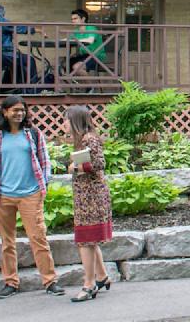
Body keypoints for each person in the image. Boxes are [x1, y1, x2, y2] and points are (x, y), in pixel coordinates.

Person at [0, 95, 63, 299]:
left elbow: (45, 161)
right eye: (15, 110)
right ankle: (10, 282)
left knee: (38, 237)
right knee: (7, 241)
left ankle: (50, 281)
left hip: (30, 194)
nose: (19, 113)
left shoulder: (33, 134)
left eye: (22, 110)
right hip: (2, 195)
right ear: (5, 112)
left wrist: (43, 184)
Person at [63, 106, 114, 302]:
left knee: (85, 240)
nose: (64, 124)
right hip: (86, 196)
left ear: (75, 121)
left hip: (91, 198)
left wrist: (75, 166)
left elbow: (100, 163)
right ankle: (102, 276)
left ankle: (89, 284)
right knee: (88, 237)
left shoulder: (89, 139)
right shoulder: (83, 140)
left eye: (66, 120)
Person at [0, 4, 42, 89]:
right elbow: (20, 28)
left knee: (16, 61)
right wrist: (38, 30)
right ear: (1, 13)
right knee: (29, 60)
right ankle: (32, 89)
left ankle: (7, 89)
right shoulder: (1, 21)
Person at [66, 9, 107, 77]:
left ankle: (90, 87)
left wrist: (75, 40)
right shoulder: (76, 31)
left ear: (83, 19)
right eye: (72, 19)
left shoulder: (91, 28)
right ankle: (74, 86)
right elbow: (68, 40)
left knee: (77, 67)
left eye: (75, 18)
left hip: (95, 56)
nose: (73, 21)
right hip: (84, 56)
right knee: (62, 64)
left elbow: (90, 40)